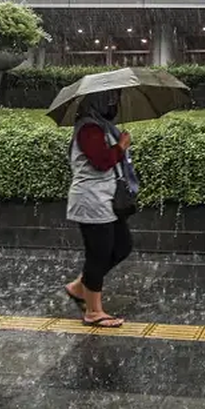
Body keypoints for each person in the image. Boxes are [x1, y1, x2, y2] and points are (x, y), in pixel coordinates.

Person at [65, 89, 136, 328]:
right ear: (97, 102)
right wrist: (121, 146)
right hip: (91, 199)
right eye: (110, 100)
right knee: (99, 253)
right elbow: (101, 161)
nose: (114, 104)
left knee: (122, 246)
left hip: (106, 198)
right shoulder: (89, 129)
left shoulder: (102, 126)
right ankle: (93, 312)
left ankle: (78, 287)